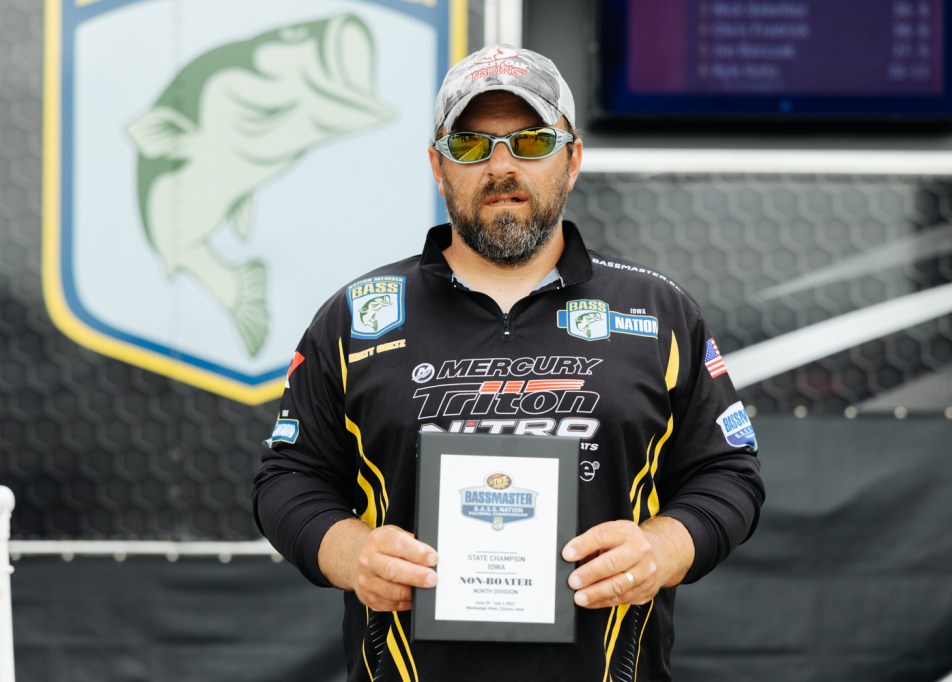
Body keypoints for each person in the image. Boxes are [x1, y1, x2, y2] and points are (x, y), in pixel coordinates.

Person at [253, 44, 764, 681]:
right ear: (438, 167)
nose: (501, 166)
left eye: (531, 141)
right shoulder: (357, 316)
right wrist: (349, 551)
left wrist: (661, 548)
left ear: (572, 160)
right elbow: (287, 479)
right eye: (470, 145)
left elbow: (729, 474)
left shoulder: (657, 311)